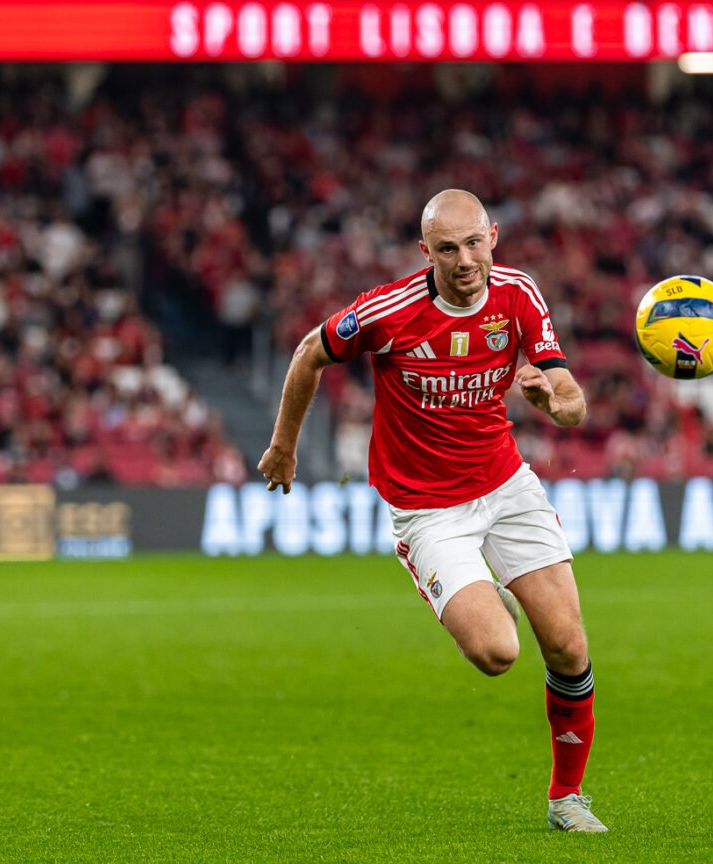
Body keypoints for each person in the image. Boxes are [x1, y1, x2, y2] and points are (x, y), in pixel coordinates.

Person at [259, 190, 606, 833]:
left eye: (474, 243)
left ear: (493, 237)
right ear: (426, 252)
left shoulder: (519, 295)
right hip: (427, 511)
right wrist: (284, 445)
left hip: (506, 487)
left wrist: (553, 404)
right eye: (448, 248)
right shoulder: (389, 311)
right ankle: (470, 589)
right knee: (498, 653)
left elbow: (572, 402)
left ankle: (566, 799)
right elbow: (310, 352)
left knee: (567, 644)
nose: (465, 259)